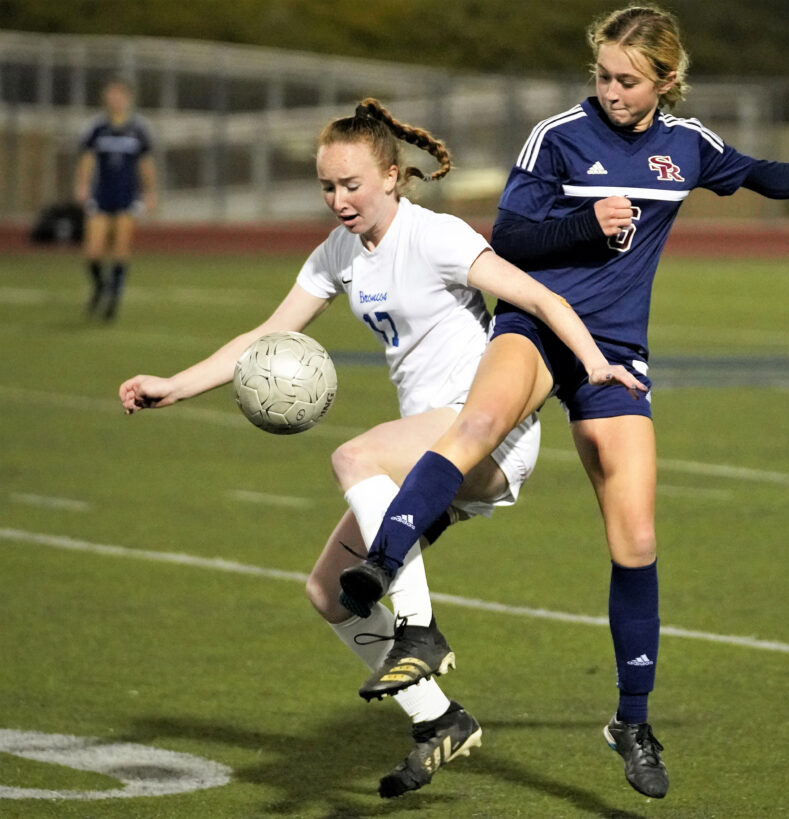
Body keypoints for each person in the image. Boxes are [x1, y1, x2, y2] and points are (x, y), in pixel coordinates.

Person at [338, 4, 789, 801]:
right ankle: (383, 575)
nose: (612, 90)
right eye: (603, 75)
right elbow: (510, 238)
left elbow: (768, 174)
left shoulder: (686, 147)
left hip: (615, 352)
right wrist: (585, 224)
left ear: (665, 80)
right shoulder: (558, 134)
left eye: (628, 79)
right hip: (537, 325)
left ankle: (631, 720)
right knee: (475, 426)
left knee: (637, 537)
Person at [117, 98, 642, 799]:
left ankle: (420, 631)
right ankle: (439, 720)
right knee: (329, 594)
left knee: (355, 457)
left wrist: (595, 361)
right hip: (425, 449)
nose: (339, 199)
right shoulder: (338, 252)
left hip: (486, 433)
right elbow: (269, 334)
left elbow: (540, 300)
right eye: (328, 187)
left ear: (393, 176)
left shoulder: (437, 237)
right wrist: (176, 386)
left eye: (352, 184)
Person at [75, 76, 158, 321]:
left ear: (128, 98)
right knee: (93, 251)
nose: (114, 99)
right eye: (110, 95)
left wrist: (151, 192)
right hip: (101, 195)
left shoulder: (138, 130)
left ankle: (114, 298)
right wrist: (82, 185)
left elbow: (146, 164)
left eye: (119, 95)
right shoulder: (97, 128)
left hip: (126, 196)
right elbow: (87, 159)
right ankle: (101, 285)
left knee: (121, 248)